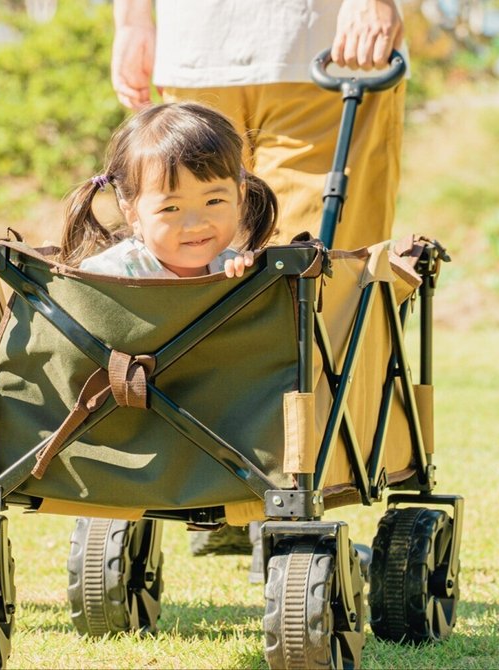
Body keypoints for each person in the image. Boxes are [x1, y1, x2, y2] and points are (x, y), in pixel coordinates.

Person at [110, 0, 407, 572]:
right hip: (212, 46)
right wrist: (134, 21)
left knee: (299, 280)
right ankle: (231, 493)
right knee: (288, 289)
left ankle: (263, 498)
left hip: (319, 45)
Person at [111, 0, 407, 253]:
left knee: (316, 275)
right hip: (194, 47)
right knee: (203, 280)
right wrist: (132, 20)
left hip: (326, 52)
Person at [60, 102, 278, 279]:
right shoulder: (108, 277)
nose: (196, 224)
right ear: (132, 214)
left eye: (214, 201)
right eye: (171, 208)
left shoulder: (233, 268)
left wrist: (253, 280)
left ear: (239, 195)